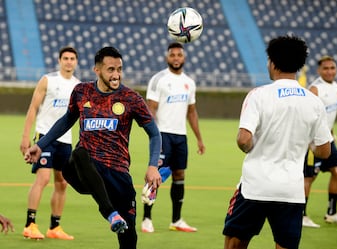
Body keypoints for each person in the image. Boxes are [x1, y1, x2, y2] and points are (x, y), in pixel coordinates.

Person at [24, 46, 162, 249]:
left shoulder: (131, 98)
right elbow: (66, 121)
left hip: (117, 173)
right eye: (110, 69)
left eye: (119, 69)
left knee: (129, 236)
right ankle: (110, 213)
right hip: (84, 170)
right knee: (79, 153)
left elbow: (154, 133)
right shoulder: (82, 91)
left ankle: (117, 216)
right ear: (97, 70)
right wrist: (40, 145)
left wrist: (152, 166)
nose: (116, 75)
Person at [222, 35, 332, 249]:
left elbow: (244, 140)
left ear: (272, 62)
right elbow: (324, 151)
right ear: (299, 65)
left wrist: (252, 146)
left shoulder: (258, 95)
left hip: (255, 187)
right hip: (291, 190)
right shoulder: (314, 101)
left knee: (234, 244)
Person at [141, 42, 205, 233]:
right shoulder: (159, 79)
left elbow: (192, 112)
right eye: (173, 55)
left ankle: (176, 220)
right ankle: (146, 219)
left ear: (184, 58)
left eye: (179, 55)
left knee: (179, 175)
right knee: (155, 176)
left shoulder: (189, 82)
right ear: (167, 57)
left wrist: (199, 139)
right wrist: (155, 136)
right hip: (163, 135)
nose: (176, 58)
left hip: (180, 136)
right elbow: (150, 109)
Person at [20, 46, 80, 240]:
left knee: (62, 183)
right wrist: (25, 136)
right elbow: (33, 107)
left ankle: (54, 227)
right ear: (59, 60)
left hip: (65, 141)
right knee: (43, 179)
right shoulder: (48, 80)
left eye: (72, 58)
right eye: (66, 58)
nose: (69, 61)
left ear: (76, 62)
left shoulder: (79, 86)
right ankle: (30, 224)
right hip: (45, 137)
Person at [302, 56, 337, 228]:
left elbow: (328, 116)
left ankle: (332, 213)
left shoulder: (336, 86)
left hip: (328, 139)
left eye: (332, 68)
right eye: (326, 68)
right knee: (309, 177)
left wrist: (331, 132)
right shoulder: (315, 89)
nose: (330, 71)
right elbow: (306, 116)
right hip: (313, 142)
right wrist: (310, 143)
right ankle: (302, 216)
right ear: (319, 71)